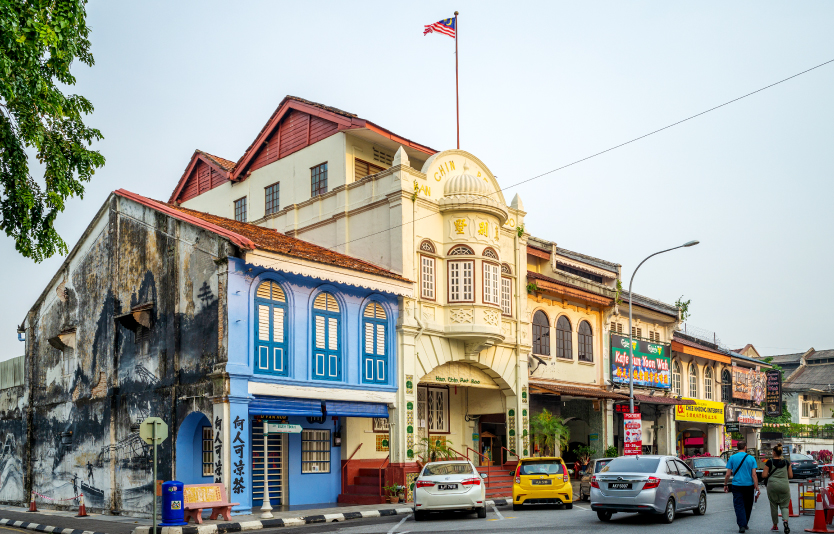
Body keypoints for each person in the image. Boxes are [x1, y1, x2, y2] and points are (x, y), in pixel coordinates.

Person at [724, 440, 759, 533]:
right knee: (748, 505)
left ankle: (742, 525)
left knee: (739, 505)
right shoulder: (751, 458)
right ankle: (745, 523)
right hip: (749, 485)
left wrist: (725, 484)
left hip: (737, 485)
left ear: (737, 447)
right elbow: (754, 475)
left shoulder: (732, 458)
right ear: (745, 447)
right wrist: (756, 486)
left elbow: (728, 474)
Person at [763, 444, 793, 534]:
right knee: (784, 506)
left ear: (774, 452)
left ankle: (775, 525)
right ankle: (785, 521)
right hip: (784, 486)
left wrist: (770, 475)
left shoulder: (769, 462)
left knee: (773, 506)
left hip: (772, 486)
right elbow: (791, 476)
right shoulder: (786, 462)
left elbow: (764, 475)